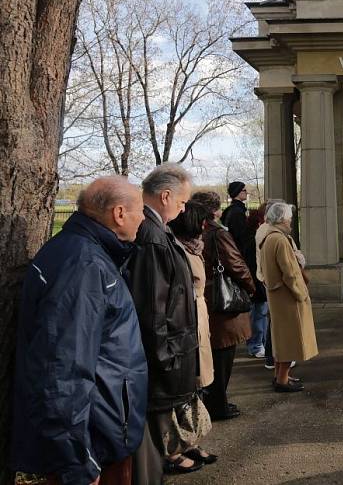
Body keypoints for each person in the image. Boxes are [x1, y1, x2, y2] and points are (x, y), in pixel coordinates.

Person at [13, 176, 148, 485]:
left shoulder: (86, 253)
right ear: (119, 214)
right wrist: (77, 460)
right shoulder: (84, 265)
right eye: (139, 210)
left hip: (101, 430)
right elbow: (62, 369)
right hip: (92, 444)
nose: (142, 218)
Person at [126, 163, 204, 477]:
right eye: (182, 202)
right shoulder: (151, 233)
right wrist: (165, 357)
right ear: (166, 196)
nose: (183, 208)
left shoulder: (155, 229)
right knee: (155, 443)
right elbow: (152, 307)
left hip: (169, 348)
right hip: (164, 353)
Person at [192, 191, 255, 421]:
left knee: (212, 357)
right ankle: (218, 405)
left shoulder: (194, 229)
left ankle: (215, 402)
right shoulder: (217, 233)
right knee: (223, 357)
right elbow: (236, 264)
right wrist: (251, 286)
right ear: (214, 209)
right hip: (222, 303)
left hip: (206, 299)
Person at [167, 200, 218, 467]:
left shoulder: (192, 247)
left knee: (196, 389)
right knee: (186, 388)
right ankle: (177, 449)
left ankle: (192, 441)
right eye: (200, 221)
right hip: (187, 322)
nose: (204, 226)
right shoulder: (178, 250)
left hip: (198, 318)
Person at [259, 202, 319, 392]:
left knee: (280, 338)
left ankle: (280, 376)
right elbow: (291, 272)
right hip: (286, 297)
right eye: (289, 218)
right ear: (282, 219)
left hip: (277, 295)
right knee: (289, 339)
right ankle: (282, 379)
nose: (291, 222)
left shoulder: (268, 237)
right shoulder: (280, 240)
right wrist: (301, 294)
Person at [244, 203, 270, 358]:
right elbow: (253, 262)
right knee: (258, 314)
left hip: (258, 280)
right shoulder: (255, 236)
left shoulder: (256, 233)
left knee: (260, 314)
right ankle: (255, 345)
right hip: (256, 281)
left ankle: (259, 343)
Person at [221, 181, 248, 252]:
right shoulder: (237, 212)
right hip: (239, 252)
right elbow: (241, 237)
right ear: (238, 192)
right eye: (244, 190)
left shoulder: (233, 209)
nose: (246, 192)